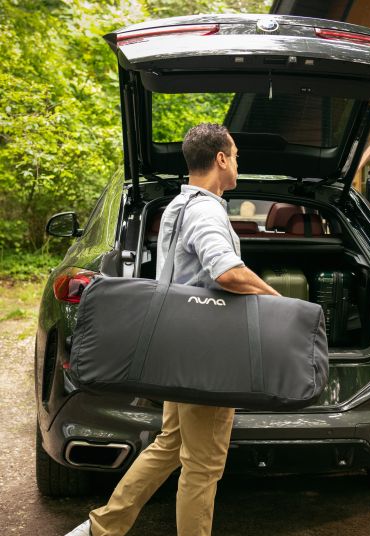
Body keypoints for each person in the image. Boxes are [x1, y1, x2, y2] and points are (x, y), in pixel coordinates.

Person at [66, 123, 280, 536]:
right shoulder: (207, 211)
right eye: (235, 156)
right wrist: (278, 302)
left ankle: (101, 528)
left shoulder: (177, 208)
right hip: (207, 356)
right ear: (220, 158)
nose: (238, 163)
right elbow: (226, 271)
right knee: (202, 467)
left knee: (168, 446)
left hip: (178, 346)